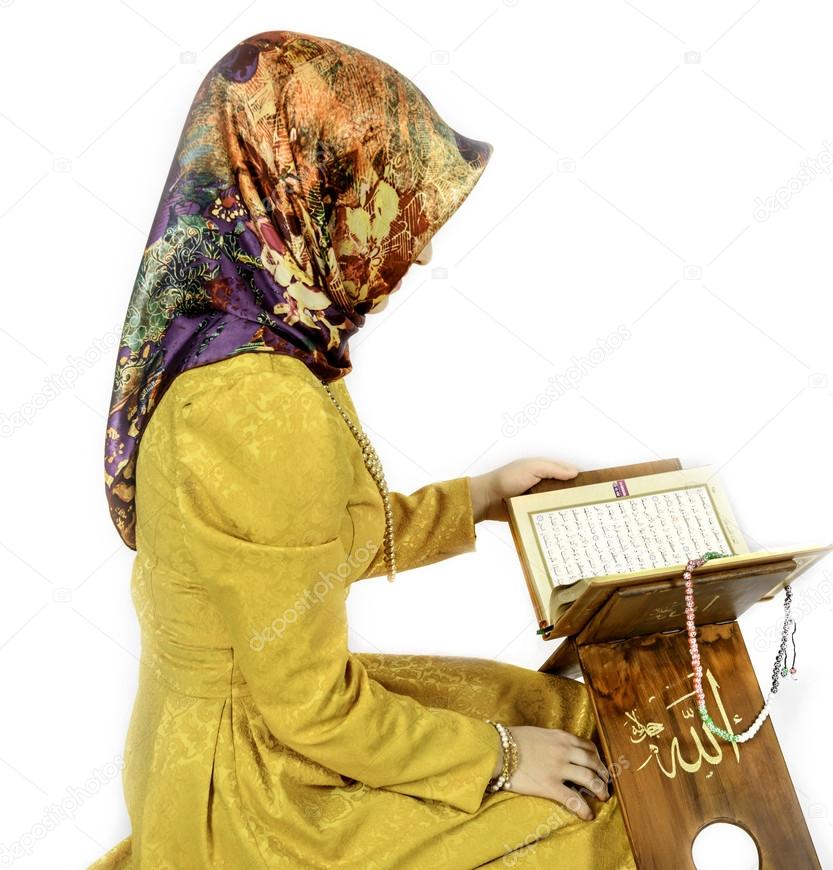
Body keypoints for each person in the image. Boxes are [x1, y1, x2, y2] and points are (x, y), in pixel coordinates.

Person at [91, 29, 637, 869]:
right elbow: (309, 709)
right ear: (304, 190)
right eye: (383, 208)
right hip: (245, 789)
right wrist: (494, 760)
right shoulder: (260, 405)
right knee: (595, 818)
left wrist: (479, 498)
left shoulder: (235, 332)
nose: (417, 249)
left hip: (233, 723)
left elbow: (300, 549)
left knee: (562, 715)